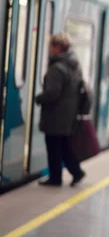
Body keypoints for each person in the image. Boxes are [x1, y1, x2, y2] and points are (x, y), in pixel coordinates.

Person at [36, 33, 86, 187]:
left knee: (54, 147)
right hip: (67, 114)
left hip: (55, 114)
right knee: (63, 146)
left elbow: (52, 93)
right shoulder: (73, 65)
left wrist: (38, 98)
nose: (49, 50)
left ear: (58, 48)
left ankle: (56, 178)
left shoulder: (57, 68)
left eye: (51, 46)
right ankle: (76, 171)